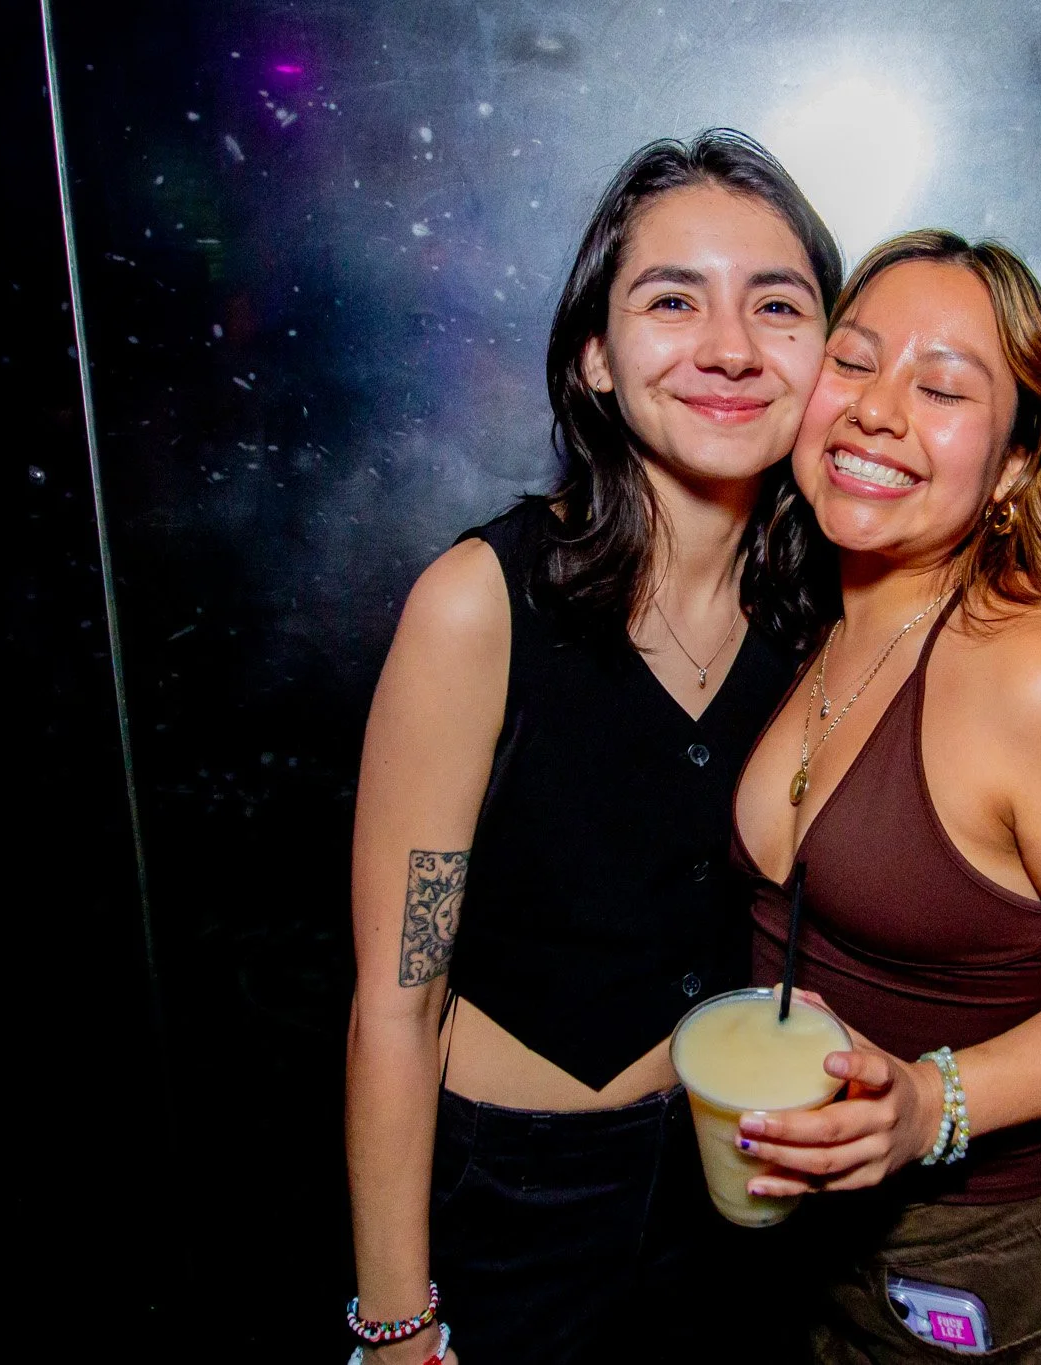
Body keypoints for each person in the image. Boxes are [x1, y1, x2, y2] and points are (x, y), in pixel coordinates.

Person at [344, 130, 840, 1363]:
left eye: (776, 304)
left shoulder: (827, 613)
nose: (729, 347)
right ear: (595, 358)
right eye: (671, 300)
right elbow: (396, 1004)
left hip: (736, 1184)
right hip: (516, 1193)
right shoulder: (480, 604)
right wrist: (397, 1326)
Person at [730, 231, 1041, 1362]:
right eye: (853, 361)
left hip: (1008, 1266)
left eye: (943, 388)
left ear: (1012, 464)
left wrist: (930, 1103)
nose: (876, 410)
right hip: (820, 1246)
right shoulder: (818, 620)